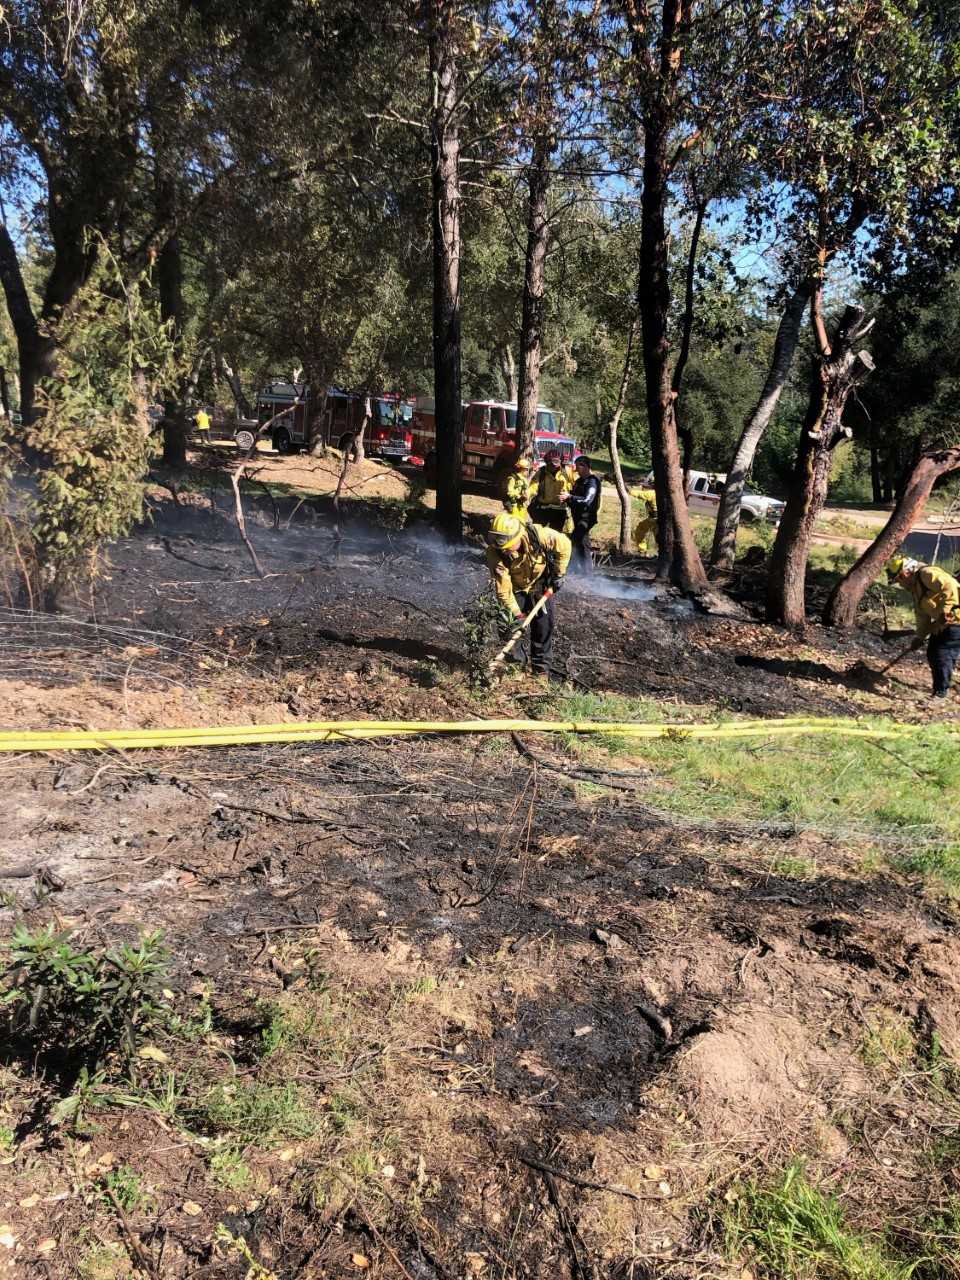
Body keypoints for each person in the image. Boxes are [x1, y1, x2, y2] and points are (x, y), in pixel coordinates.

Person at [486, 512, 571, 676]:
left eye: (506, 544)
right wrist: (517, 616)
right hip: (516, 588)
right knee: (509, 627)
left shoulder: (539, 535)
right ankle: (515, 668)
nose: (502, 548)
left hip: (540, 584)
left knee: (543, 627)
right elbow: (503, 590)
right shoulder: (495, 553)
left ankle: (540, 672)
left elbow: (565, 544)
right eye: (497, 543)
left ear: (518, 537)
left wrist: (559, 574)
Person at [886, 555, 960, 699]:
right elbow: (923, 617)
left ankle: (940, 693)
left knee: (942, 653)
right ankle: (942, 686)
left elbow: (950, 586)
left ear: (906, 572)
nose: (900, 584)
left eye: (899, 579)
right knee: (934, 652)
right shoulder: (916, 591)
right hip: (944, 624)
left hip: (955, 620)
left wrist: (945, 612)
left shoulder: (927, 574)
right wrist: (919, 637)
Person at [565, 455, 602, 572]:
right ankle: (582, 570)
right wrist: (566, 498)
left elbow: (587, 500)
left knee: (576, 540)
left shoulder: (592, 481)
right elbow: (573, 497)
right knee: (581, 542)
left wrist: (570, 497)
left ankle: (582, 571)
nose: (576, 470)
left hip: (587, 518)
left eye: (577, 467)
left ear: (584, 466)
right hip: (577, 517)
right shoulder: (579, 481)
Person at [530, 449, 575, 533]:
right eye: (551, 464)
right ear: (547, 462)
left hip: (559, 510)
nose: (554, 466)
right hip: (542, 509)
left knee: (555, 535)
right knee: (537, 533)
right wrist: (527, 494)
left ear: (561, 462)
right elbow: (532, 487)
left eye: (556, 464)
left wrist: (570, 496)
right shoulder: (541, 472)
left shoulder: (567, 472)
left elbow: (575, 486)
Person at [503, 455, 534, 519]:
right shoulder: (513, 478)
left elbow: (526, 490)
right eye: (527, 469)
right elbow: (509, 491)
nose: (528, 471)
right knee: (514, 521)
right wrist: (519, 497)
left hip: (522, 505)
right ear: (523, 469)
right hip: (514, 504)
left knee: (521, 521)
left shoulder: (524, 479)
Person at [631, 484, 658, 553]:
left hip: (654, 519)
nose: (643, 487)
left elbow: (637, 494)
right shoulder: (658, 492)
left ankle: (642, 549)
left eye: (646, 485)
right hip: (656, 519)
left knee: (640, 530)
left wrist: (626, 488)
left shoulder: (652, 493)